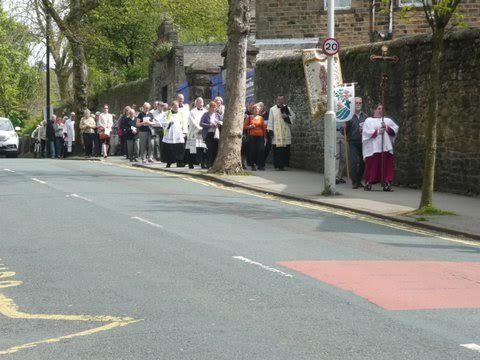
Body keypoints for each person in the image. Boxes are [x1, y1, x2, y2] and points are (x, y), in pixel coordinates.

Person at [362, 104, 399, 192]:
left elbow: (395, 129)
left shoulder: (387, 120)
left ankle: (387, 182)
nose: (380, 111)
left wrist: (386, 127)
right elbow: (366, 132)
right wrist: (378, 131)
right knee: (372, 165)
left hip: (385, 147)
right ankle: (369, 182)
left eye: (382, 109)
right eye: (379, 109)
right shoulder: (368, 120)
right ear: (374, 110)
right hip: (374, 148)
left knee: (387, 166)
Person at [267, 95, 295, 170]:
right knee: (277, 150)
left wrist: (287, 117)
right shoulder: (272, 109)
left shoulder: (287, 108)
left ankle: (284, 165)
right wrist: (270, 131)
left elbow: (293, 117)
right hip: (277, 133)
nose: (280, 101)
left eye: (282, 99)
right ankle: (277, 165)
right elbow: (270, 120)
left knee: (285, 150)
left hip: (285, 132)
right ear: (276, 100)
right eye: (279, 99)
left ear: (283, 100)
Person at [346, 97, 367, 189]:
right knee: (353, 162)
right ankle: (354, 182)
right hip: (353, 141)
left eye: (360, 103)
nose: (358, 104)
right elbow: (345, 131)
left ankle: (359, 180)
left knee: (363, 162)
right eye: (356, 103)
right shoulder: (349, 117)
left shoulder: (365, 117)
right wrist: (345, 126)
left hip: (363, 142)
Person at [161, 100, 187, 167]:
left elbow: (184, 123)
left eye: (177, 107)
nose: (176, 108)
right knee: (169, 149)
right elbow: (163, 122)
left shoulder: (181, 113)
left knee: (179, 149)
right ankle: (169, 162)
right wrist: (169, 123)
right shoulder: (167, 113)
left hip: (179, 134)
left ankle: (179, 162)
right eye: (175, 107)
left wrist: (184, 132)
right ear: (172, 106)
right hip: (170, 134)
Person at [186, 97, 208, 169]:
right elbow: (193, 121)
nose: (201, 104)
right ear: (196, 103)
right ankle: (191, 163)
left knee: (202, 148)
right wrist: (199, 128)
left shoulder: (205, 111)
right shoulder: (192, 112)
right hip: (194, 132)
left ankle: (202, 163)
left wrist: (203, 129)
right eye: (199, 102)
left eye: (202, 102)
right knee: (192, 148)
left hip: (203, 133)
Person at [200, 101, 223, 168]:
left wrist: (218, 124)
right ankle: (206, 163)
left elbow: (222, 122)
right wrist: (210, 125)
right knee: (209, 149)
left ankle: (212, 163)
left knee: (215, 149)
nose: (213, 109)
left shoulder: (217, 115)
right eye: (212, 107)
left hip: (216, 134)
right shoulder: (206, 114)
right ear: (209, 108)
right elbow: (201, 123)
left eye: (214, 107)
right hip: (208, 134)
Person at [243, 103, 266, 171]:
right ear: (253, 110)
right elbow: (244, 127)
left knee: (261, 150)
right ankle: (252, 165)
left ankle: (260, 165)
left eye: (258, 109)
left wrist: (265, 137)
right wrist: (249, 126)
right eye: (255, 109)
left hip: (260, 136)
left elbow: (263, 128)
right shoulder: (249, 117)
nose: (256, 110)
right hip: (252, 136)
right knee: (252, 150)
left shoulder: (261, 118)